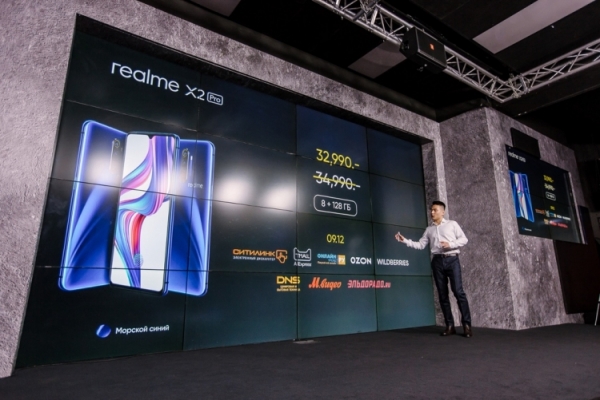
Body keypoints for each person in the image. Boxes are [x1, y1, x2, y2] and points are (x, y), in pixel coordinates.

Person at [395, 201, 472, 338]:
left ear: (442, 212)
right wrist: (404, 240)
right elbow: (420, 245)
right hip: (437, 262)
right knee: (442, 295)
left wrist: (450, 244)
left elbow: (464, 239)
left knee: (458, 292)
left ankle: (466, 325)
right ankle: (450, 326)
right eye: (431, 210)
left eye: (435, 210)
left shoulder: (452, 224)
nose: (432, 212)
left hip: (452, 259)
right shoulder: (429, 230)